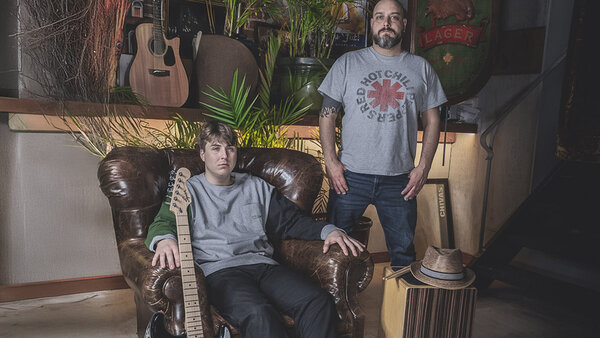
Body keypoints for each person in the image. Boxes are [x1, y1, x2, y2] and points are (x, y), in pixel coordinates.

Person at [145, 121, 365, 338]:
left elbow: (291, 221)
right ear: (202, 154)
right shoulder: (187, 191)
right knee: (259, 313)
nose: (224, 155)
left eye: (230, 148)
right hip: (220, 273)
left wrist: (329, 230)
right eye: (216, 148)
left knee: (317, 301)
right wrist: (164, 240)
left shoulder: (256, 187)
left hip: (264, 266)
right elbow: (163, 222)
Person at [318, 0, 447, 267]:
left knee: (403, 255)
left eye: (394, 17)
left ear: (404, 24)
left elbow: (433, 121)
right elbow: (327, 115)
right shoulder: (348, 63)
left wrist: (423, 166)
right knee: (334, 252)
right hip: (350, 177)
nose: (386, 23)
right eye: (379, 17)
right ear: (372, 23)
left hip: (400, 181)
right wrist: (331, 162)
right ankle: (334, 307)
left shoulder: (421, 68)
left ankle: (401, 309)